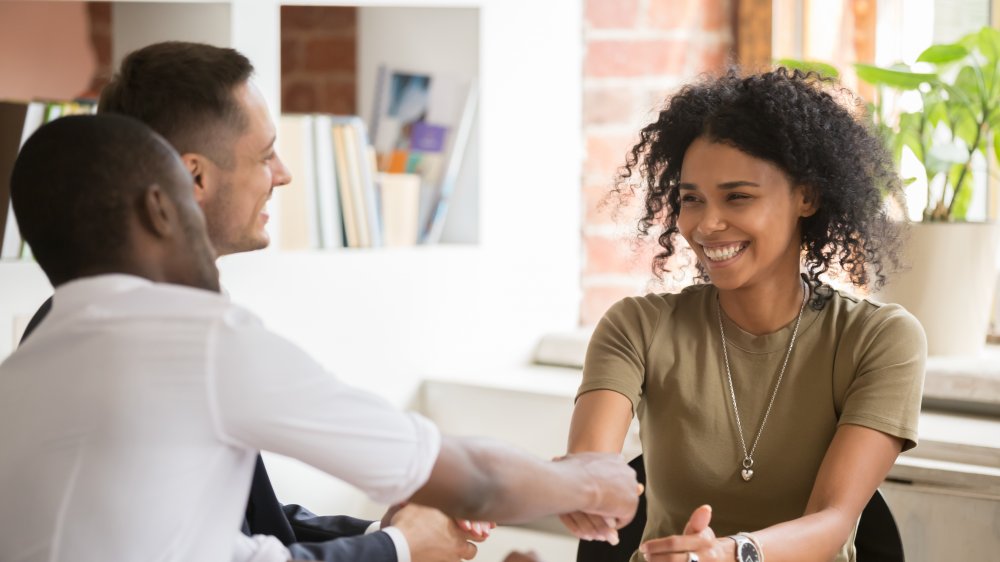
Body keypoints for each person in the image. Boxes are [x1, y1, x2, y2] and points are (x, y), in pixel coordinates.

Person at [0, 113, 640, 562]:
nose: (280, 174)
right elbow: (473, 478)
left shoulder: (21, 375)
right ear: (162, 209)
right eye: (264, 153)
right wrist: (591, 480)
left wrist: (395, 541)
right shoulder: (198, 340)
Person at [16, 41, 486, 562]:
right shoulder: (171, 342)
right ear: (193, 177)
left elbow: (252, 523)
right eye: (265, 155)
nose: (283, 174)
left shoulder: (79, 325)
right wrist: (399, 547)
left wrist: (389, 529)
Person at [562, 68, 926, 562]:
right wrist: (579, 488)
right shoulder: (636, 328)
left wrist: (732, 554)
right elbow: (593, 466)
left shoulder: (880, 339)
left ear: (806, 197)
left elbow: (833, 519)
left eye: (738, 197)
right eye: (692, 200)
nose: (707, 225)